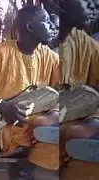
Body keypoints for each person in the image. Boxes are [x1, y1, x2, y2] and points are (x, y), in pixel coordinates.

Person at [0, 5, 60, 176]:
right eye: (45, 21)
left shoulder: (49, 56)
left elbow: (64, 86)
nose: (52, 26)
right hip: (6, 122)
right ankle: (30, 169)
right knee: (48, 131)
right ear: (30, 27)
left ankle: (31, 165)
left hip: (39, 117)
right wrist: (1, 104)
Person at [57, 0, 99, 163]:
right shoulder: (37, 45)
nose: (94, 5)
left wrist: (94, 119)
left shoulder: (81, 40)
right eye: (87, 0)